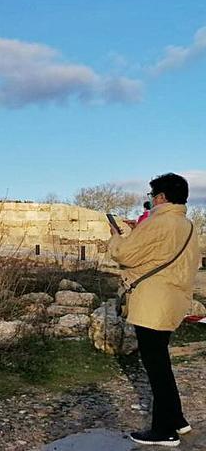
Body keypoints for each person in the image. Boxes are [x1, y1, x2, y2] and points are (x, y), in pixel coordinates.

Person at [108, 173, 200, 447]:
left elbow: (124, 255)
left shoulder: (159, 222)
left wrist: (116, 237)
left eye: (152, 195)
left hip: (152, 303)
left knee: (157, 367)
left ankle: (164, 431)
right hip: (171, 300)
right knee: (161, 362)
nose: (151, 199)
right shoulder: (187, 224)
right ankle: (178, 421)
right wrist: (138, 231)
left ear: (160, 197)